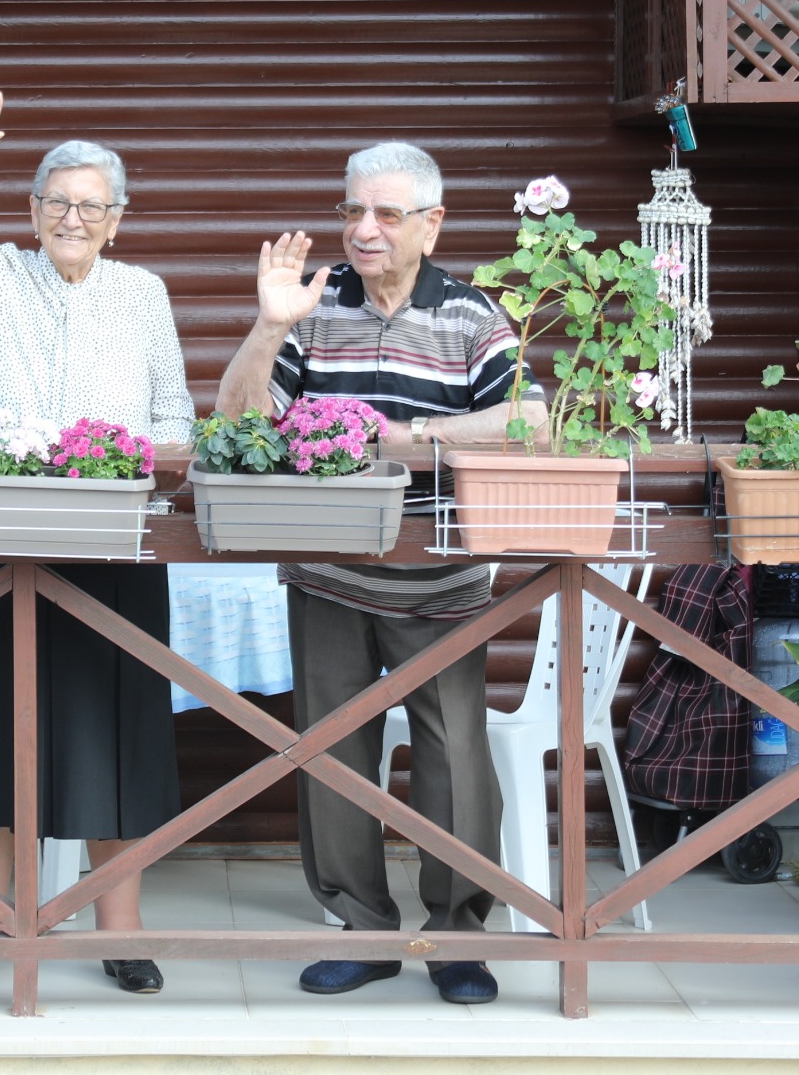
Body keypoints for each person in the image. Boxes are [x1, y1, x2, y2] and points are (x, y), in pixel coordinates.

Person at [214, 142, 535, 1007]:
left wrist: (395, 439)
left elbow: (533, 421)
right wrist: (272, 323)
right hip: (326, 570)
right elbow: (235, 420)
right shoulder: (315, 310)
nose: (363, 230)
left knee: (454, 757)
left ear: (432, 224)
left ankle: (456, 938)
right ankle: (365, 930)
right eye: (353, 211)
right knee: (331, 752)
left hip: (442, 576)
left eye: (387, 214)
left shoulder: (472, 314)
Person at [0, 72, 195, 997]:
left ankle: (121, 926)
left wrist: (144, 456)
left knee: (121, 737)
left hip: (118, 548)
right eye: (58, 202)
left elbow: (174, 409)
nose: (74, 218)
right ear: (31, 211)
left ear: (118, 219)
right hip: (2, 542)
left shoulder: (143, 293)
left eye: (92, 206)